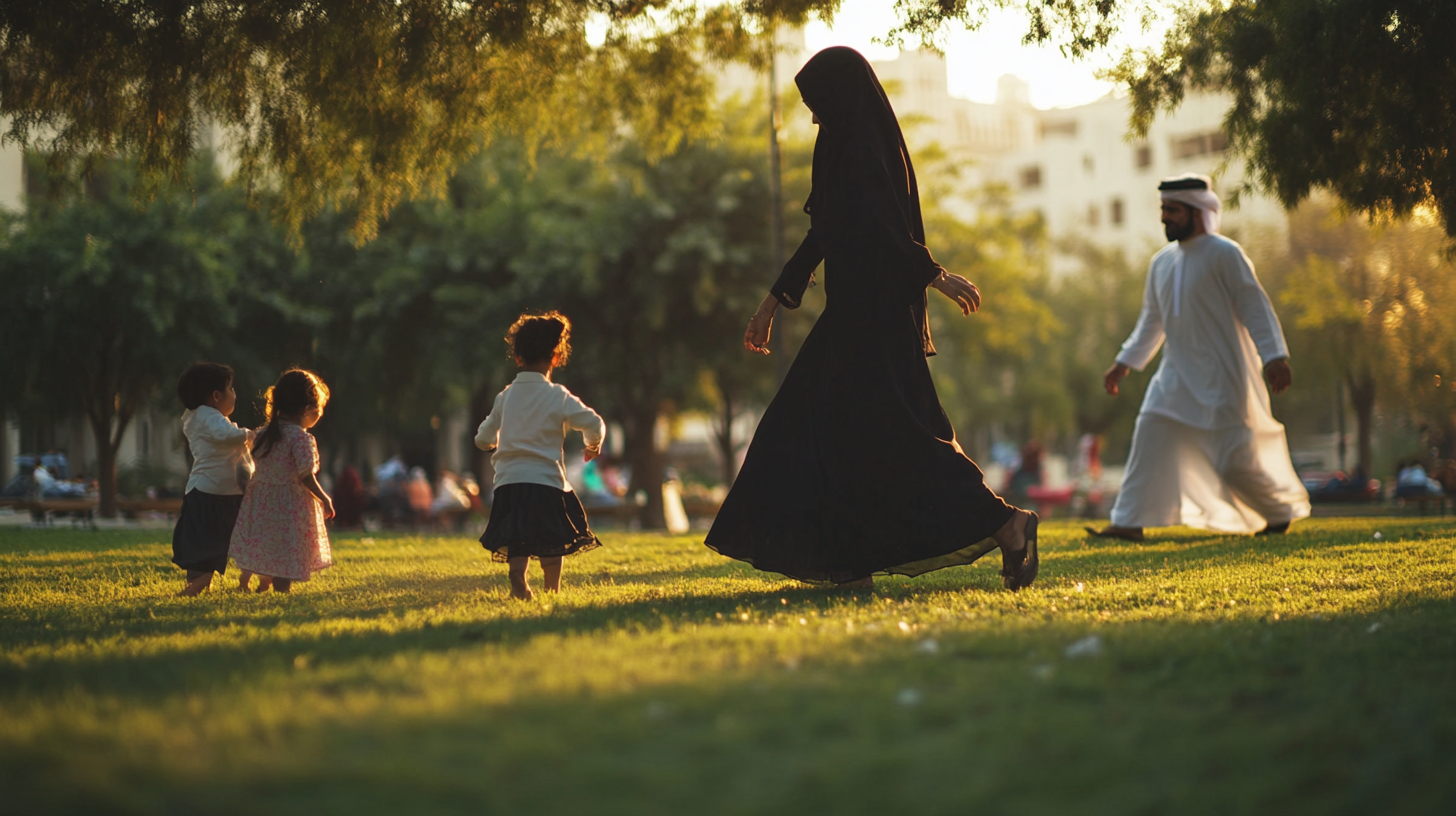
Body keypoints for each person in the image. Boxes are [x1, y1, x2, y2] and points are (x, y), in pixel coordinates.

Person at [704, 47, 1039, 590]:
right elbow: (825, 232)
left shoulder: (863, 148)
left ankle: (1005, 523)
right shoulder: (837, 144)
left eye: (816, 103)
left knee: (891, 436)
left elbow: (884, 226)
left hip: (876, 320)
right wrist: (772, 301)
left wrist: (934, 274)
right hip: (850, 315)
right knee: (834, 433)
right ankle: (852, 559)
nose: (812, 116)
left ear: (840, 96)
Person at [1088, 174, 1311, 541]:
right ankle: (1127, 523)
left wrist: (1274, 357)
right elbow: (1152, 321)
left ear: (1197, 211)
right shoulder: (1161, 263)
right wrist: (1124, 362)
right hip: (1174, 375)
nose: (1165, 218)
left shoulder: (1225, 254)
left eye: (1172, 210)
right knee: (1150, 432)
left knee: (1231, 460)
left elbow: (1254, 306)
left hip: (1224, 376)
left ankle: (1276, 511)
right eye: (1162, 210)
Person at [474, 312, 606, 601]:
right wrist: (592, 445)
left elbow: (483, 438)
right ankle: (551, 588)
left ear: (517, 357)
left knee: (517, 536)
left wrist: (490, 444)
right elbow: (594, 423)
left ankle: (518, 580)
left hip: (509, 482)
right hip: (547, 482)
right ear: (556, 357)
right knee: (552, 538)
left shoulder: (505, 397)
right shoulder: (558, 395)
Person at [230, 370, 335, 593]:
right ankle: (281, 591)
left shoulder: (261, 434)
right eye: (319, 410)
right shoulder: (300, 437)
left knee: (267, 546)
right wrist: (324, 498)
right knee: (286, 550)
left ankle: (254, 582)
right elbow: (305, 474)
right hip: (288, 505)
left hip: (263, 503)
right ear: (307, 410)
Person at [172, 363, 255, 597]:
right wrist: (252, 435)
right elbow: (227, 436)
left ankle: (200, 584)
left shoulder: (203, 416)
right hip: (213, 494)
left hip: (217, 492)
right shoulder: (207, 415)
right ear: (216, 396)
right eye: (231, 389)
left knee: (206, 542)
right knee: (210, 541)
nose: (235, 394)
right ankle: (199, 584)